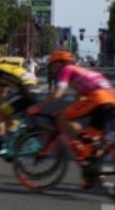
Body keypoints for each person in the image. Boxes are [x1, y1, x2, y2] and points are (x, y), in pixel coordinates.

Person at [27, 50, 115, 189]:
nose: (52, 68)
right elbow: (79, 99)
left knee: (63, 119)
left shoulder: (66, 70)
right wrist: (66, 110)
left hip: (99, 98)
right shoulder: (82, 72)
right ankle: (92, 174)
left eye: (53, 65)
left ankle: (81, 143)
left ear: (60, 63)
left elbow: (57, 95)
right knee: (95, 141)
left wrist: (38, 107)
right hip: (110, 99)